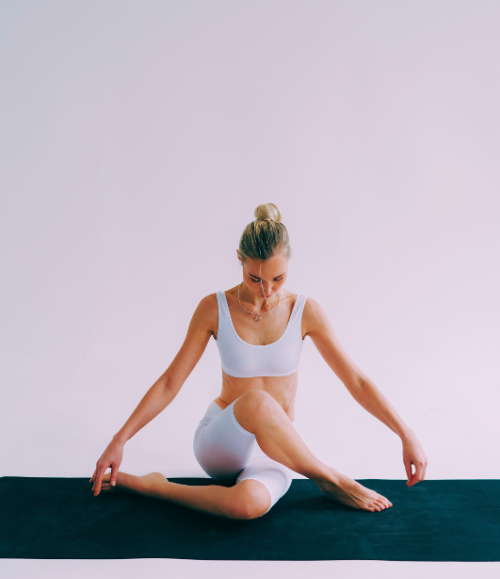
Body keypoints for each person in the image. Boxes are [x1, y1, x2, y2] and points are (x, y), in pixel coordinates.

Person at [90, 203, 428, 519]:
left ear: (288, 265)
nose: (266, 290)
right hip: (223, 441)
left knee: (247, 506)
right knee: (257, 401)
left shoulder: (305, 311)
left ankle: (154, 486)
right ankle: (333, 479)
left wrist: (405, 433)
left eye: (277, 279)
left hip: (279, 448)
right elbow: (169, 383)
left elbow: (355, 380)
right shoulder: (214, 308)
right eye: (255, 279)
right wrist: (119, 440)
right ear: (239, 259)